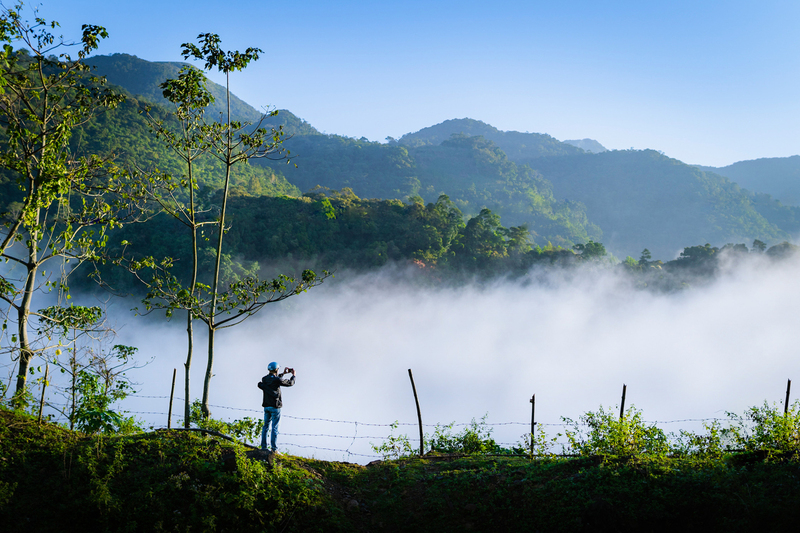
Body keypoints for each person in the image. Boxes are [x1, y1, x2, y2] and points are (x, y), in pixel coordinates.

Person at [257, 361, 295, 452]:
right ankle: (274, 449)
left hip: (266, 406)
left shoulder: (264, 379)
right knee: (275, 428)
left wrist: (283, 374)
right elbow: (290, 383)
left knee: (265, 427)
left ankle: (264, 447)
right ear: (276, 369)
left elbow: (273, 380)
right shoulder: (276, 380)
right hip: (275, 406)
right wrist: (293, 375)